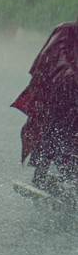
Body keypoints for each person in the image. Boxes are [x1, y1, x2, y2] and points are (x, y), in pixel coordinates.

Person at [11, 19, 77, 193]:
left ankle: (71, 178)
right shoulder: (66, 31)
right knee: (53, 127)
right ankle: (40, 177)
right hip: (60, 95)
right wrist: (72, 77)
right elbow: (57, 60)